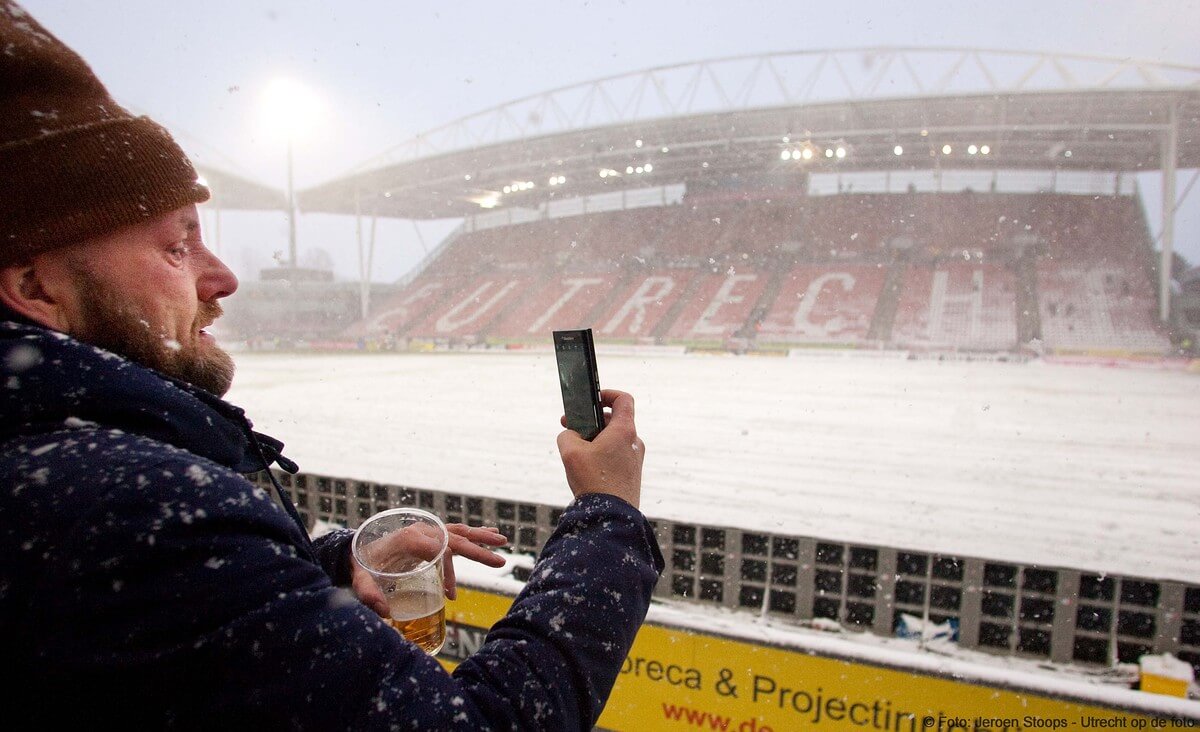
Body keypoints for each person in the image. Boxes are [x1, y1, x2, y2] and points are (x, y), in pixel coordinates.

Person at [0, 2, 664, 729]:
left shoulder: (53, 475)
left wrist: (341, 563)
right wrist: (610, 518)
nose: (223, 278)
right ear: (36, 287)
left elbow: (178, 633)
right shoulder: (121, 506)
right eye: (176, 246)